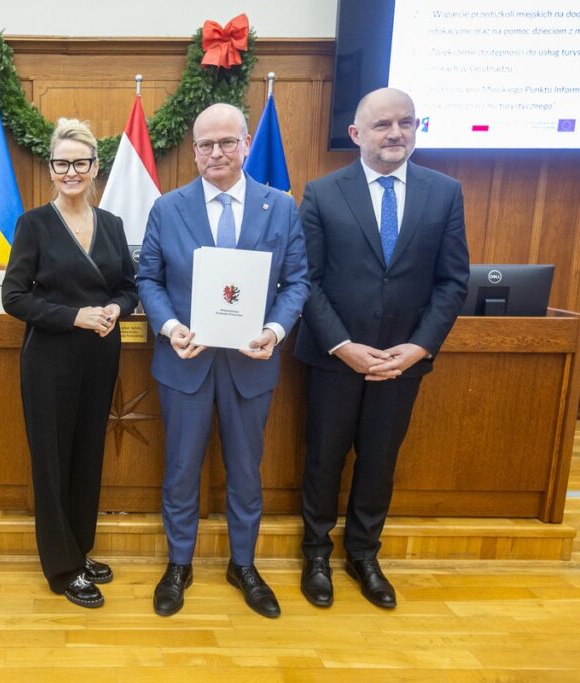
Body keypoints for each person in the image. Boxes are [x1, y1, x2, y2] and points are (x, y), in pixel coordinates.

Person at [294, 88, 469, 610]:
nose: (396, 133)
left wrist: (419, 347)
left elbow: (452, 281)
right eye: (382, 125)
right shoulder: (322, 193)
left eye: (406, 122)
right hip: (335, 358)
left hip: (401, 362)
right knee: (323, 459)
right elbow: (306, 280)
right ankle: (316, 555)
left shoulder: (444, 192)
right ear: (356, 134)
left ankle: (364, 555)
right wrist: (343, 345)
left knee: (380, 460)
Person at [137, 102, 309, 619]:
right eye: (206, 144)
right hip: (184, 362)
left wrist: (274, 331)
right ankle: (179, 564)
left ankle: (244, 565)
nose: (216, 152)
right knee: (181, 469)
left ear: (246, 144)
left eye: (227, 142)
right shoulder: (168, 208)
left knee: (246, 472)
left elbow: (297, 281)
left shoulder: (280, 207)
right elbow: (148, 279)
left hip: (251, 365)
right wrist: (170, 327)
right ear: (194, 150)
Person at [2, 118, 139, 608]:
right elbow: (13, 297)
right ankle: (61, 569)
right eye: (62, 164)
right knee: (53, 460)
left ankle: (79, 551)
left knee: (87, 457)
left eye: (81, 163)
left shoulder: (113, 224)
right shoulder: (34, 224)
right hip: (50, 359)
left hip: (100, 355)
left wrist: (116, 308)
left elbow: (129, 287)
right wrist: (73, 316)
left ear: (96, 167)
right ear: (51, 168)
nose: (71, 172)